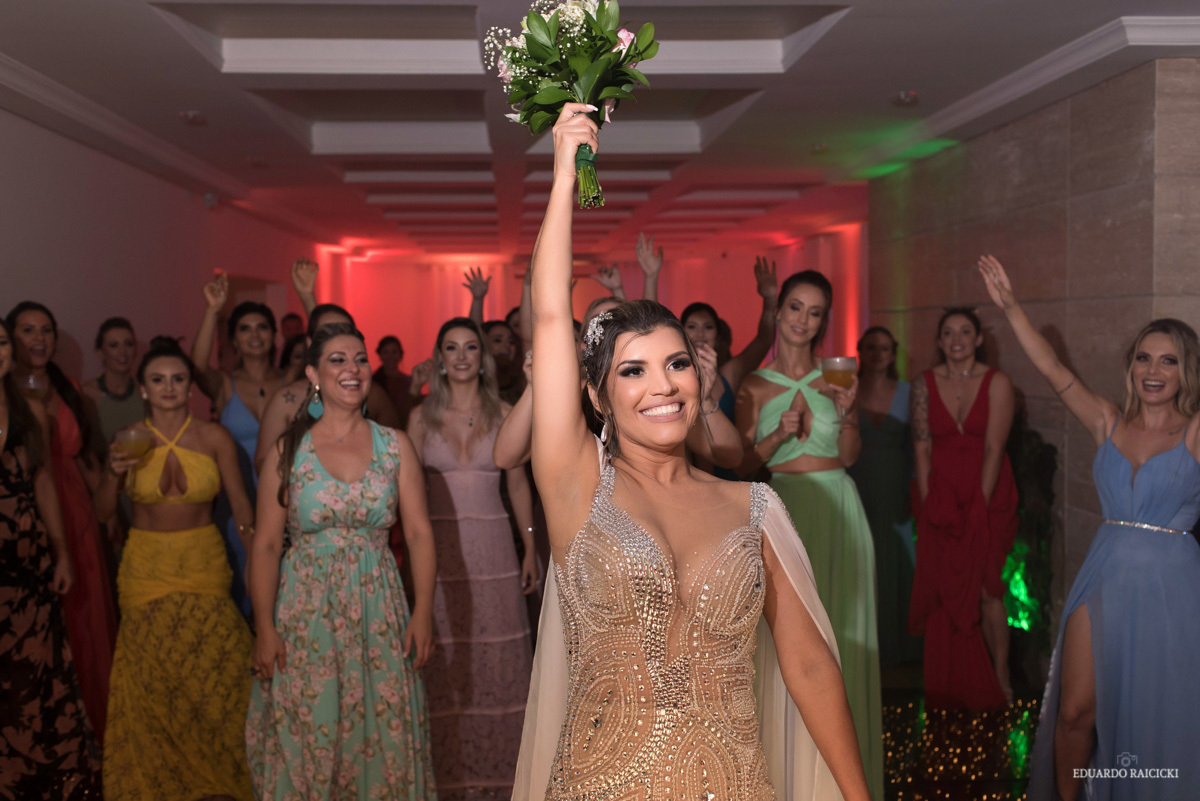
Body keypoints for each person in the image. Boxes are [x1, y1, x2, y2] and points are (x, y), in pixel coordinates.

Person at [512, 102, 872, 801]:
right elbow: (551, 312)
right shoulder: (576, 485)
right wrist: (562, 174)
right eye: (633, 370)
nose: (663, 385)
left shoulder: (755, 507)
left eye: (677, 363)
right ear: (597, 397)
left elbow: (808, 666)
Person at [977, 256, 1200, 801]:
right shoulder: (1107, 421)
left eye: (1168, 360)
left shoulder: (1195, 432)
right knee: (1075, 711)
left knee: (1156, 717)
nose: (1153, 370)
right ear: (1131, 367)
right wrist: (1012, 307)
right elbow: (1052, 368)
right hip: (1103, 575)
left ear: (1186, 371)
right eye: (1144, 357)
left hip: (1170, 587)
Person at [246, 323, 438, 799]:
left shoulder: (395, 444)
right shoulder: (288, 450)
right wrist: (264, 627)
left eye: (359, 359)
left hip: (379, 612)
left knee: (383, 731)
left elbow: (418, 533)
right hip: (305, 614)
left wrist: (423, 611)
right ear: (313, 374)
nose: (352, 369)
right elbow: (266, 545)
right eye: (337, 360)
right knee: (308, 728)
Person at [734, 270, 884, 801]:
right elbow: (742, 464)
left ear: (824, 321)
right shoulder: (754, 385)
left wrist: (848, 414)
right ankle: (787, 777)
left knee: (843, 636)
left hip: (840, 508)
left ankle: (844, 781)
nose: (803, 319)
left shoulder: (838, 377)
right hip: (782, 512)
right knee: (787, 644)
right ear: (779, 312)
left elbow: (849, 456)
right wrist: (779, 433)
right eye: (795, 307)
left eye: (814, 312)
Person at [93, 338, 255, 799]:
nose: (169, 387)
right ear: (143, 388)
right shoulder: (128, 437)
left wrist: (258, 571)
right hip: (145, 567)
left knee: (221, 673)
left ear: (190, 386)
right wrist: (112, 472)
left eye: (178, 379)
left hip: (204, 563)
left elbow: (242, 511)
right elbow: (103, 512)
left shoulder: (215, 438)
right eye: (158, 380)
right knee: (153, 678)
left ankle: (225, 775)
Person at [407, 316, 536, 801]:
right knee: (446, 654)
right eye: (452, 347)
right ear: (439, 358)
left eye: (470, 347)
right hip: (438, 553)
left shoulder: (504, 412)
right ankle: (448, 779)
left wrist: (529, 545)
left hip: (495, 551)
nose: (461, 356)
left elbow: (518, 485)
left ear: (482, 358)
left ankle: (503, 781)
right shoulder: (419, 419)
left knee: (496, 658)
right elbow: (406, 495)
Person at [6, 301, 117, 744]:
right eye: (27, 330)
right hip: (30, 514)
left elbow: (87, 457)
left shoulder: (69, 388)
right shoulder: (6, 395)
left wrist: (110, 514)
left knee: (87, 616)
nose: (39, 338)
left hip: (78, 513)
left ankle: (96, 726)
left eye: (46, 330)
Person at [908, 306, 1017, 709]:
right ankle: (948, 680)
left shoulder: (997, 382)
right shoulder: (923, 384)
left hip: (988, 496)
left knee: (988, 587)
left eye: (965, 331)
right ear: (940, 341)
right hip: (940, 495)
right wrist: (929, 505)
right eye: (949, 333)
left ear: (979, 338)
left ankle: (1001, 676)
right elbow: (921, 449)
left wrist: (979, 508)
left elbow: (994, 448)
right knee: (943, 587)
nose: (957, 339)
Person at [191, 274, 285, 620]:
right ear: (233, 339)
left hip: (286, 504)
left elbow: (325, 354)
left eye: (262, 327)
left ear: (274, 335)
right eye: (244, 329)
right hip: (237, 506)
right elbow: (196, 367)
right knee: (242, 599)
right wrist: (212, 310)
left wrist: (307, 296)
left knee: (287, 599)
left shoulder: (292, 381)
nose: (254, 334)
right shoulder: (224, 385)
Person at [254, 303, 400, 475]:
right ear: (310, 343)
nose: (338, 341)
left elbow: (396, 458)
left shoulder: (374, 395)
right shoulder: (286, 399)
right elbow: (263, 465)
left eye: (345, 332)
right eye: (327, 334)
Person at [847, 326, 921, 667]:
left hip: (894, 485)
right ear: (861, 351)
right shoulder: (848, 388)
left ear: (893, 354)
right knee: (859, 558)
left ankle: (896, 650)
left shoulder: (908, 392)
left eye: (885, 348)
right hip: (856, 481)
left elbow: (918, 447)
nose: (878, 354)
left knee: (896, 561)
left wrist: (914, 490)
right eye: (872, 347)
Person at [82, 317, 143, 451]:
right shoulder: (87, 394)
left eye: (128, 344)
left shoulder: (145, 391)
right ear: (100, 352)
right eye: (114, 345)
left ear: (135, 350)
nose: (123, 352)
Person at [374, 334, 413, 418]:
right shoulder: (373, 382)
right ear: (380, 355)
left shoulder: (410, 382)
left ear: (400, 354)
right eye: (386, 352)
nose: (390, 357)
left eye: (394, 352)